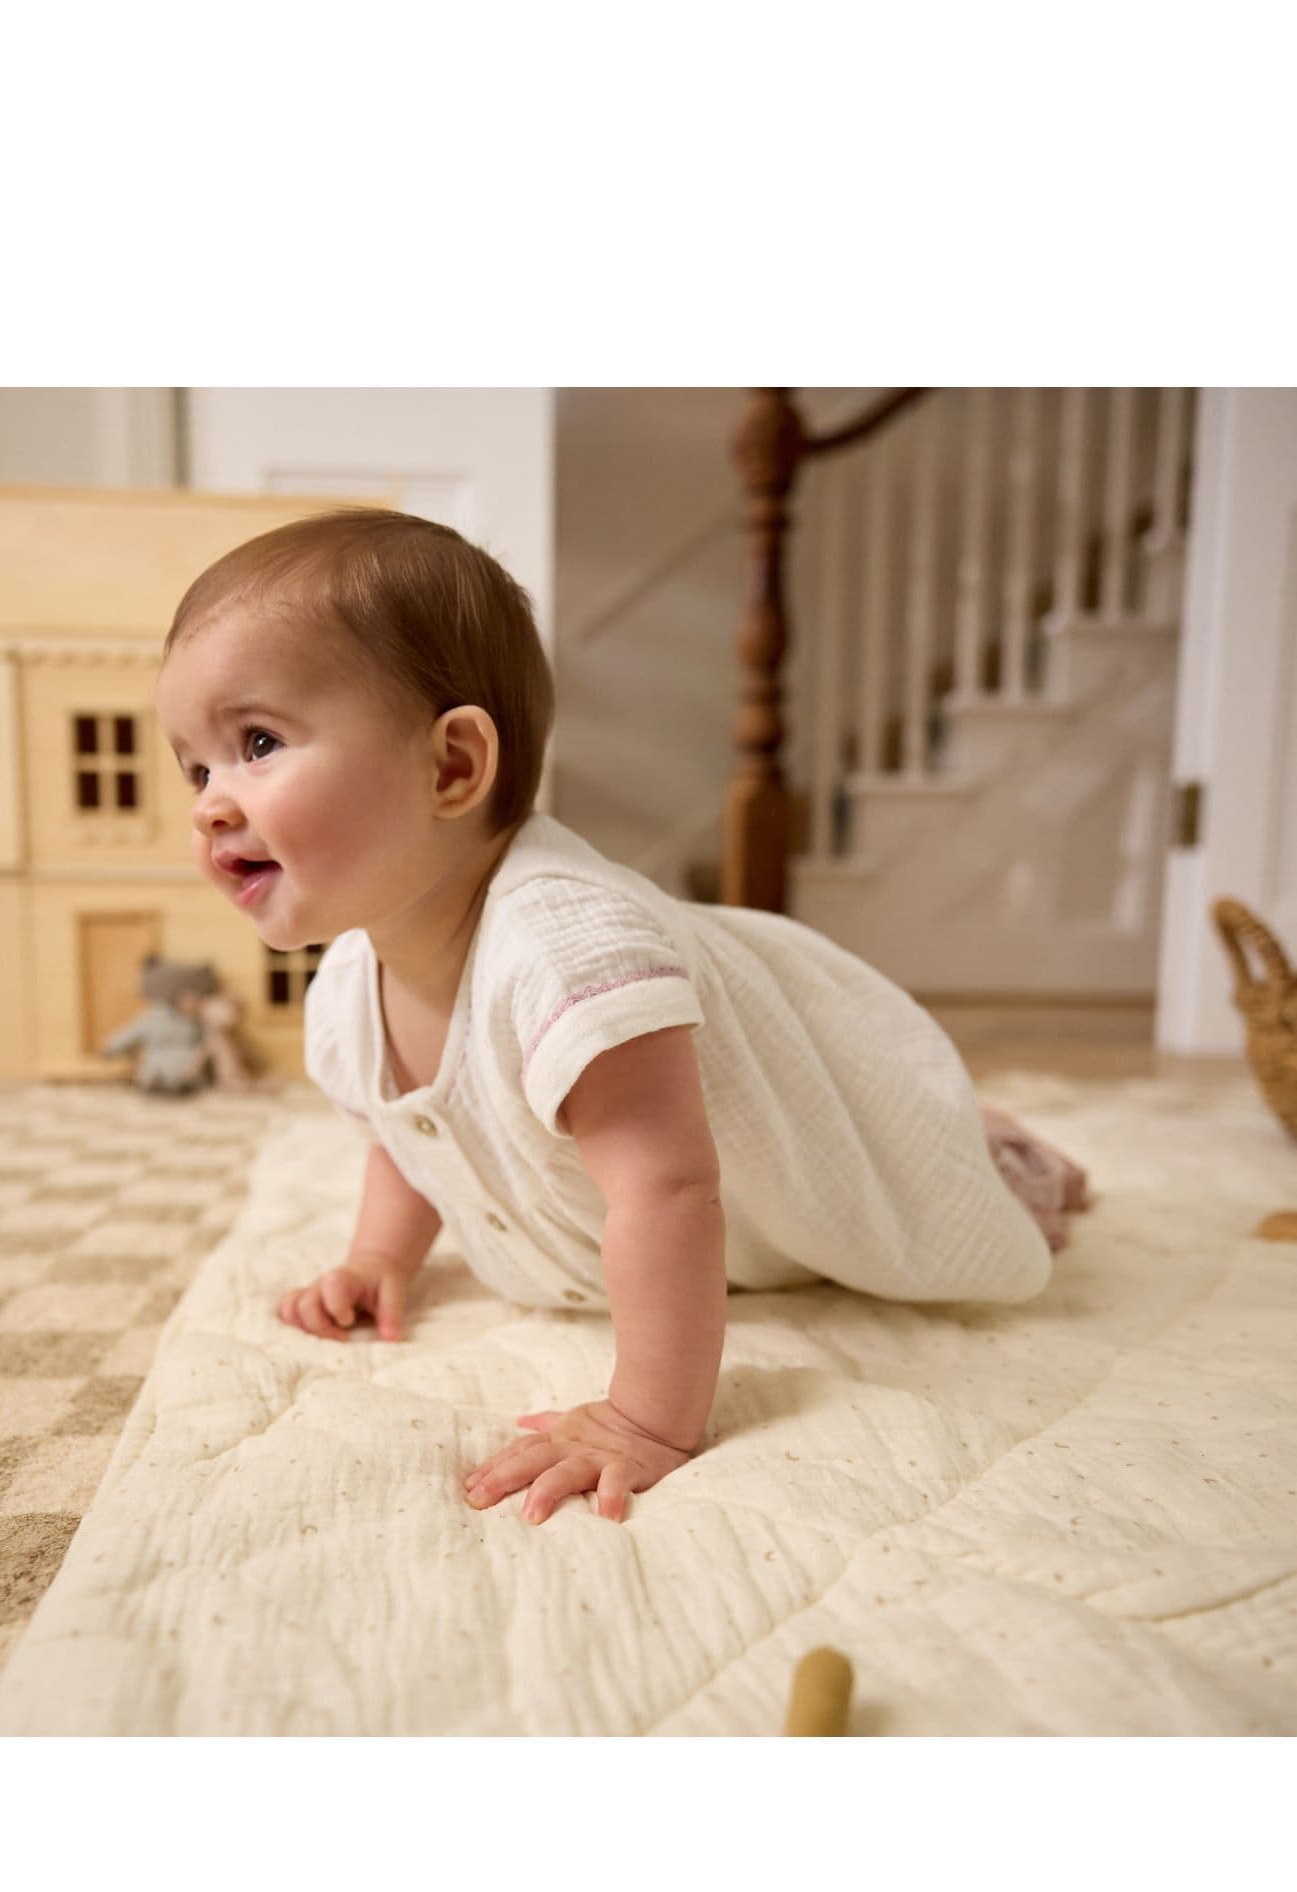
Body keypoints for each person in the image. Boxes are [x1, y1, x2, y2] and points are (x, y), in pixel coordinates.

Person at [154, 509, 1090, 1528]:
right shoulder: (349, 981)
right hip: (684, 1157)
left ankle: (982, 1142)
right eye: (196, 767)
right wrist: (384, 1257)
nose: (209, 803)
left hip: (806, 1112)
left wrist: (647, 1419)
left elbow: (672, 1188)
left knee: (918, 1182)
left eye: (256, 744)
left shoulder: (564, 950)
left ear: (452, 768)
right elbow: (416, 1123)